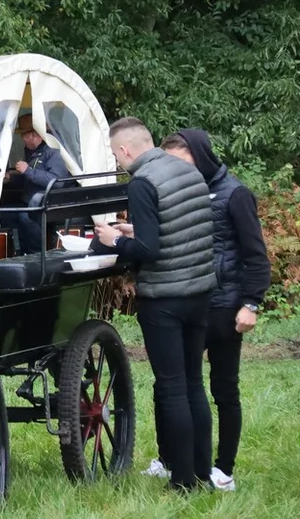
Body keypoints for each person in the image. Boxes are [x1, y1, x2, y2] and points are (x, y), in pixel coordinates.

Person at [138, 128, 271, 491]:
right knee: (172, 385)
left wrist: (251, 303)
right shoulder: (178, 189)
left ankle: (222, 468)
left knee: (223, 389)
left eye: (179, 162)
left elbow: (255, 254)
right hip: (190, 299)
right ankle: (171, 459)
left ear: (200, 156)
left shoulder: (235, 193)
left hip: (225, 305)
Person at [91, 117, 218, 492]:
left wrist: (114, 239)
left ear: (126, 150)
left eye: (116, 155)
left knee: (173, 386)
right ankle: (201, 473)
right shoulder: (189, 171)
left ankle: (181, 482)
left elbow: (150, 250)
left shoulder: (142, 183)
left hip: (166, 298)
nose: (117, 161)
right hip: (200, 292)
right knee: (195, 383)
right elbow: (176, 228)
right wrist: (136, 232)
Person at [1, 112, 70, 254]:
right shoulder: (31, 152)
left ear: (35, 135)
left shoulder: (53, 151)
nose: (22, 139)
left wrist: (28, 171)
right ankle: (18, 252)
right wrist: (11, 178)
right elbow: (28, 181)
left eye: (24, 135)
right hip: (31, 202)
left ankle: (38, 254)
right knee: (3, 214)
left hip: (49, 204)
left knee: (25, 217)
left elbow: (57, 181)